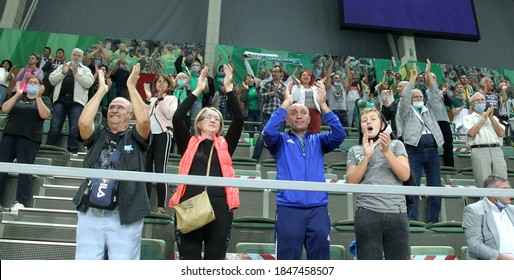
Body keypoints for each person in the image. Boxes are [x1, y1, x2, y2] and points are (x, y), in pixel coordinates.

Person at [72, 64, 151, 260]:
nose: (115, 110)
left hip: (125, 210)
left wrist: (132, 86)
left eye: (121, 107)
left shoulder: (135, 137)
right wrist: (101, 91)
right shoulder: (98, 133)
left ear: (130, 114)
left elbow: (144, 123)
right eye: (112, 107)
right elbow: (83, 123)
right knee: (86, 261)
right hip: (91, 208)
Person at [262, 81, 346, 260]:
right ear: (287, 119)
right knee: (288, 261)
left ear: (309, 119)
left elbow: (340, 135)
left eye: (303, 113)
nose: (299, 116)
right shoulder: (280, 141)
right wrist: (286, 103)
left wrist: (323, 105)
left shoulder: (319, 140)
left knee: (320, 262)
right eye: (294, 113)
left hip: (318, 209)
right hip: (288, 208)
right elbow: (268, 133)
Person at [169, 64, 243, 260]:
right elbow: (177, 118)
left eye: (216, 118)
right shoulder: (189, 143)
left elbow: (238, 120)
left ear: (220, 126)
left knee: (215, 259)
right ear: (198, 123)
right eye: (207, 117)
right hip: (189, 203)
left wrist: (228, 88)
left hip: (220, 205)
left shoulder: (226, 144)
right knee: (189, 257)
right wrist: (198, 89)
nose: (212, 120)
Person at [346, 108, 411, 259]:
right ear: (361, 127)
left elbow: (405, 174)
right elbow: (351, 182)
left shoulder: (396, 145)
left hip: (397, 211)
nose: (368, 122)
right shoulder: (354, 150)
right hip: (367, 212)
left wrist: (386, 151)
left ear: (382, 125)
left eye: (373, 119)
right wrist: (366, 157)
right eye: (364, 120)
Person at [398, 61, 444, 224]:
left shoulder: (428, 109)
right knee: (413, 185)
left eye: (420, 96)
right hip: (414, 150)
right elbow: (404, 98)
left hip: (432, 150)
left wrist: (429, 77)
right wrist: (414, 78)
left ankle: (434, 220)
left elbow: (436, 97)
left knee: (436, 186)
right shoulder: (405, 110)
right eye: (415, 97)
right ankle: (413, 220)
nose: (418, 98)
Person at [0, 75, 52, 213]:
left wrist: (39, 97)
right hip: (9, 135)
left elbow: (45, 115)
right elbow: (4, 109)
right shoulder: (19, 97)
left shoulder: (45, 99)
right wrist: (17, 93)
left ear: (41, 87)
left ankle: (20, 202)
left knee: (25, 170)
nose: (33, 85)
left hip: (29, 138)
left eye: (36, 83)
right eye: (30, 82)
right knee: (1, 167)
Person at [48, 48, 94, 154]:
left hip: (77, 102)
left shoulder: (85, 69)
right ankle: (50, 149)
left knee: (75, 128)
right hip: (60, 100)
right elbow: (52, 80)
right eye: (75, 55)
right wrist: (63, 73)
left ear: (82, 57)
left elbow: (89, 83)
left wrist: (77, 73)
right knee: (55, 125)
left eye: (79, 56)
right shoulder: (62, 66)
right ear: (71, 56)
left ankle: (72, 152)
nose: (76, 57)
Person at [143, 74, 177, 214]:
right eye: (158, 82)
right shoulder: (151, 99)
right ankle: (145, 205)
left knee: (160, 170)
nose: (161, 84)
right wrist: (147, 99)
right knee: (146, 171)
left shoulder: (171, 99)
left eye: (164, 82)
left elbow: (169, 115)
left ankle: (161, 206)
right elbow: (143, 116)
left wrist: (161, 98)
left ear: (168, 86)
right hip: (148, 137)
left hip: (163, 135)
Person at [462, 174, 514, 260]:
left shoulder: (512, 209)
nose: (509, 194)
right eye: (504, 190)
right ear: (491, 192)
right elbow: (475, 245)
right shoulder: (474, 210)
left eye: (509, 189)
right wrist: (504, 259)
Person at [462, 92, 507, 187]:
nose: (480, 102)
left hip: (496, 150)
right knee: (484, 182)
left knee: (502, 181)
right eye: (477, 100)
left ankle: (502, 201)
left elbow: (502, 133)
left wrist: (491, 118)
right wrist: (483, 118)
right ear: (472, 104)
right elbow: (471, 133)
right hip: (479, 150)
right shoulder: (468, 118)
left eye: (482, 100)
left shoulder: (493, 118)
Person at [251, 65, 286, 161]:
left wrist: (284, 97)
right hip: (268, 115)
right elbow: (260, 96)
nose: (274, 73)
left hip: (280, 117)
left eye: (276, 72)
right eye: (273, 71)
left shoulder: (284, 86)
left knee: (279, 139)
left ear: (281, 74)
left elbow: (287, 101)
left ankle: (276, 162)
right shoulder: (266, 84)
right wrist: (271, 93)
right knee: (262, 138)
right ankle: (254, 160)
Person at [291, 70, 323, 134]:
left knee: (315, 132)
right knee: (301, 132)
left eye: (308, 75)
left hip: (314, 112)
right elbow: (294, 98)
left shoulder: (315, 88)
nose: (306, 77)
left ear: (311, 78)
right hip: (301, 112)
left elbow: (320, 99)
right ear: (300, 78)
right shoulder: (296, 87)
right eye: (304, 75)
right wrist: (299, 85)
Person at [325, 56, 348, 128]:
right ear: (332, 80)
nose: (338, 79)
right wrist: (331, 64)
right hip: (333, 111)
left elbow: (348, 78)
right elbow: (328, 77)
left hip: (343, 111)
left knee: (345, 132)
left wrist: (347, 65)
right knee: (333, 131)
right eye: (336, 78)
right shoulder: (329, 87)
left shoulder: (343, 87)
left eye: (339, 78)